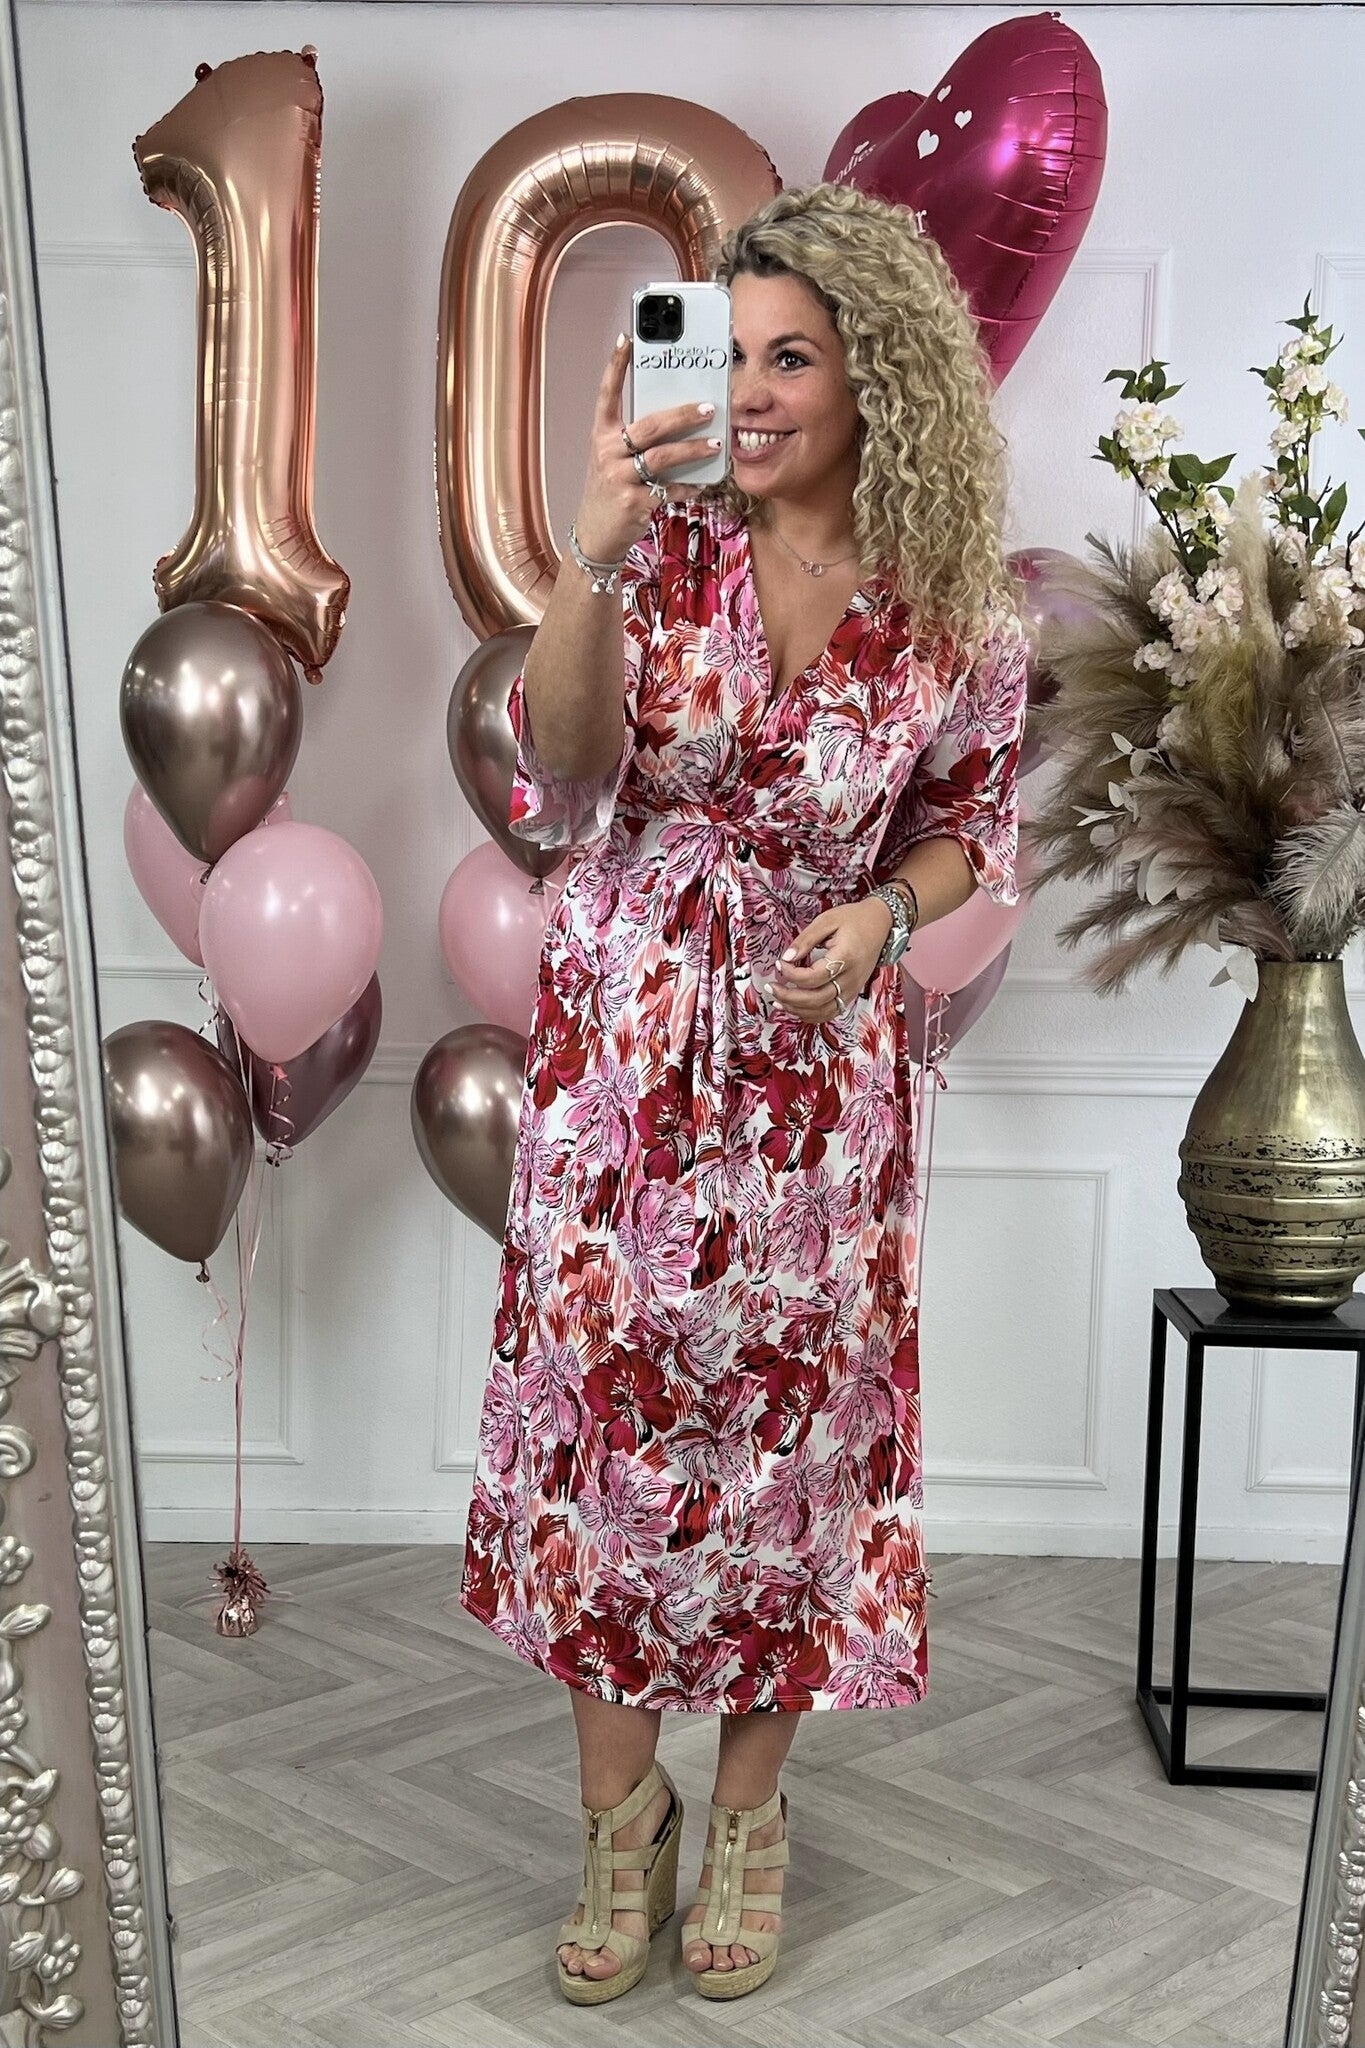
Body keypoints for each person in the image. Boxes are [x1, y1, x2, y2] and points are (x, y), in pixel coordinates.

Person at [458, 181, 1030, 2005]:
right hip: (623, 1054)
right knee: (608, 1432)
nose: (758, 391)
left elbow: (971, 826)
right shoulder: (669, 536)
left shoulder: (953, 606)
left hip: (816, 1083)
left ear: (879, 379)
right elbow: (564, 775)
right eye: (740, 353)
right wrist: (590, 549)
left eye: (797, 357)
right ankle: (614, 1828)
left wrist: (883, 918)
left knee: (795, 1444)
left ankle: (752, 1819)